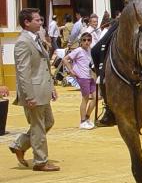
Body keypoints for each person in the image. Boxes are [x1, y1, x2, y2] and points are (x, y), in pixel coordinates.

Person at [8, 9, 60, 171]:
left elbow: (44, 65)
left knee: (48, 122)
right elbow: (23, 72)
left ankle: (19, 144)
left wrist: (51, 87)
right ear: (27, 22)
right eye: (37, 20)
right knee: (38, 126)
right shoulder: (23, 42)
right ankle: (40, 161)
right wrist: (28, 95)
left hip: (42, 88)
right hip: (33, 91)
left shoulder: (36, 38)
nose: (40, 22)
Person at [63, 32, 96, 129]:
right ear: (81, 41)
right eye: (84, 40)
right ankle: (82, 121)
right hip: (83, 77)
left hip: (91, 76)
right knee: (85, 98)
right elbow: (65, 59)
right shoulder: (78, 50)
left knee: (96, 97)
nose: (86, 42)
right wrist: (71, 71)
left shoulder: (90, 50)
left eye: (89, 40)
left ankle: (87, 117)